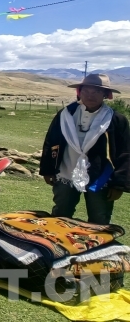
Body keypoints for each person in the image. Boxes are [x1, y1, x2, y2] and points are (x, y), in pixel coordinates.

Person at [40, 74, 129, 225]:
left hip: (100, 178)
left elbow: (124, 152)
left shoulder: (116, 120)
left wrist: (118, 185)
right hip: (66, 173)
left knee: (99, 220)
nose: (90, 95)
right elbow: (51, 142)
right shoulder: (65, 115)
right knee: (60, 216)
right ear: (79, 92)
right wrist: (47, 169)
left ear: (105, 94)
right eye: (86, 90)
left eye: (96, 91)